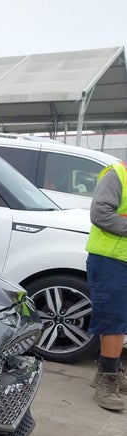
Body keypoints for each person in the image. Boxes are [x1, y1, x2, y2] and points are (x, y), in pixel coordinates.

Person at [85, 160, 127, 410]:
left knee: (120, 319)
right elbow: (100, 213)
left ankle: (108, 370)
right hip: (111, 258)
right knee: (113, 318)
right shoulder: (118, 175)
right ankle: (108, 379)